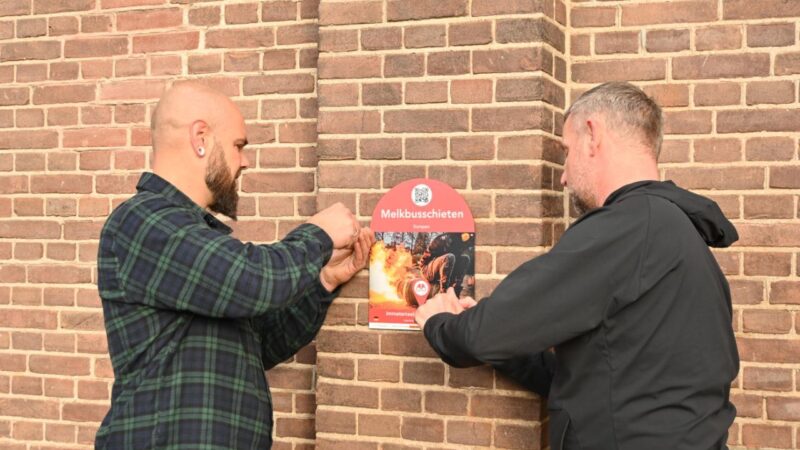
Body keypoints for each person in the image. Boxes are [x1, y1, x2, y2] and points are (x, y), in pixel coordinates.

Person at [415, 82, 739, 450]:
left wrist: (440, 324)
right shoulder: (673, 232)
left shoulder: (628, 228)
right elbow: (595, 377)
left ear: (592, 135)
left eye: (566, 152)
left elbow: (486, 331)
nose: (564, 175)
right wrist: (506, 349)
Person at [95, 81, 373, 449]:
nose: (244, 161)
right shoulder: (144, 222)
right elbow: (252, 280)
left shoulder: (196, 238)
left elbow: (264, 344)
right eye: (238, 145)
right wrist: (318, 235)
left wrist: (322, 280)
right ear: (201, 138)